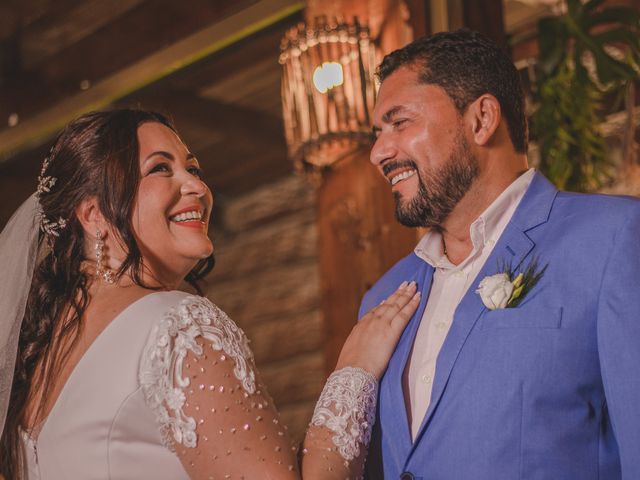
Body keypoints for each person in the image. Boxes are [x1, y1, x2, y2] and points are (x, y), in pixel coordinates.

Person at [0, 109, 421, 479]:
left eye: (193, 169)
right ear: (93, 214)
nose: (197, 188)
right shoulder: (177, 326)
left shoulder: (39, 357)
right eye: (160, 169)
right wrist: (353, 372)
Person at [361, 29, 640, 479]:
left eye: (400, 122)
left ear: (481, 119)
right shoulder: (381, 298)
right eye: (377, 132)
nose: (378, 152)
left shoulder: (613, 240)